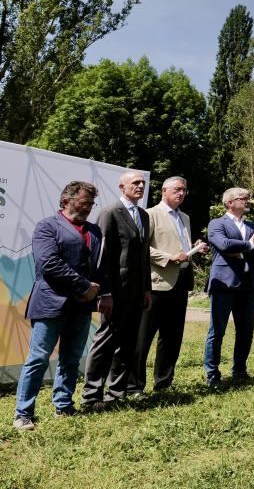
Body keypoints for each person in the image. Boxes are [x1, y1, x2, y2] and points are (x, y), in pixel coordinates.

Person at [13, 182, 106, 430]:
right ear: (66, 201)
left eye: (90, 204)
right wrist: (84, 286)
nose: (88, 208)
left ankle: (63, 405)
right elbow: (48, 264)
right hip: (50, 303)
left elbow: (97, 268)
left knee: (71, 358)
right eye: (83, 202)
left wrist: (99, 293)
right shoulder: (46, 226)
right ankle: (23, 413)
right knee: (38, 358)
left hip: (81, 307)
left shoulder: (94, 231)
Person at [131, 176, 209, 394]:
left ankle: (163, 383)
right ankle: (135, 386)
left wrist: (193, 248)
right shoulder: (150, 214)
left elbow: (180, 245)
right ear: (164, 191)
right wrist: (169, 258)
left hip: (181, 282)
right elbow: (142, 248)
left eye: (184, 190)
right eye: (177, 189)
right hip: (156, 284)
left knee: (172, 336)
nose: (181, 193)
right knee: (143, 337)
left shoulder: (184, 217)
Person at [82, 171, 152, 410]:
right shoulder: (110, 213)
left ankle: (116, 393)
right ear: (122, 187)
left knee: (128, 343)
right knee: (105, 342)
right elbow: (101, 257)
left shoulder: (143, 215)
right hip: (115, 293)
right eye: (135, 183)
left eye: (142, 183)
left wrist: (147, 290)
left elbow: (144, 257)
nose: (141, 186)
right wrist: (105, 293)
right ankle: (91, 396)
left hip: (136, 293)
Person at [203, 187, 254, 387]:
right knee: (217, 331)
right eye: (243, 198)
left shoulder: (252, 225)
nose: (248, 201)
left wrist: (239, 252)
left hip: (247, 284)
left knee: (246, 329)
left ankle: (240, 370)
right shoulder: (216, 223)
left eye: (248, 197)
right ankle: (212, 375)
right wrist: (248, 246)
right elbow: (223, 245)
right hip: (223, 283)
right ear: (230, 202)